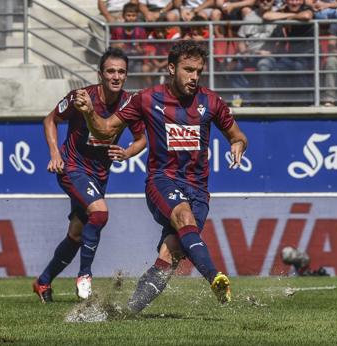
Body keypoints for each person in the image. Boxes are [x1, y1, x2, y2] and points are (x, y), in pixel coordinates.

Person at [74, 40, 248, 313]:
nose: (194, 77)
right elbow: (105, 131)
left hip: (199, 190)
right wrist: (89, 113)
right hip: (162, 180)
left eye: (198, 71)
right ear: (170, 68)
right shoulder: (146, 98)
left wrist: (238, 146)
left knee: (172, 252)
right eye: (188, 70)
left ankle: (129, 310)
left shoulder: (210, 101)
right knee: (183, 216)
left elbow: (237, 136)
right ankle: (215, 277)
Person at [32, 48, 146, 303]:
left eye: (121, 72)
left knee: (76, 233)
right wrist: (54, 153)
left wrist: (127, 153)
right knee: (100, 213)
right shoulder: (81, 97)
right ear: (100, 74)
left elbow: (141, 140)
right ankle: (85, 275)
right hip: (72, 167)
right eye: (111, 71)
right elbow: (50, 119)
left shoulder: (130, 103)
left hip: (99, 174)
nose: (116, 77)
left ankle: (43, 281)